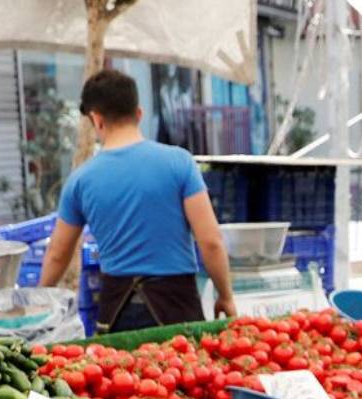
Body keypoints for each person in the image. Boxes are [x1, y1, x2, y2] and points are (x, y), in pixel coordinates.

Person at [40, 69, 237, 333]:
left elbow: (57, 255)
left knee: (126, 373)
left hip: (118, 313)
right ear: (139, 113)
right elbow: (211, 242)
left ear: (96, 120)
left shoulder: (80, 180)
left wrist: (38, 301)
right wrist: (225, 295)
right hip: (178, 307)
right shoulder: (179, 162)